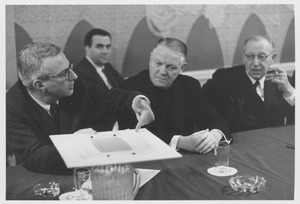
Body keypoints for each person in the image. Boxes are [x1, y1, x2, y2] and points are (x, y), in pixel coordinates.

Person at [6, 42, 154, 174]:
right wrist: (73, 144)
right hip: (43, 179)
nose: (74, 76)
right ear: (40, 85)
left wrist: (136, 101)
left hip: (84, 172)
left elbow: (108, 97)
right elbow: (33, 157)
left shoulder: (76, 85)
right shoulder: (10, 107)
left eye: (69, 67)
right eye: (64, 73)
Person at [118, 38, 231, 154]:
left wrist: (214, 135)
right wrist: (180, 142)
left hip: (186, 160)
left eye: (171, 67)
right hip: (146, 160)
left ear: (182, 68)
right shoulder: (128, 88)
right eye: (158, 63)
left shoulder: (190, 86)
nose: (162, 72)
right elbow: (133, 136)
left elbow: (216, 120)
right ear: (150, 60)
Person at [202, 34, 295, 133]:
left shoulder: (283, 81)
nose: (255, 63)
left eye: (262, 57)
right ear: (243, 57)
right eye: (250, 57)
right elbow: (200, 107)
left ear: (273, 58)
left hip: (273, 143)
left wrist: (289, 91)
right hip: (237, 144)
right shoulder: (223, 78)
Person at [74, 28, 124, 131]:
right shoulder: (80, 74)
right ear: (87, 49)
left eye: (108, 46)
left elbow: (123, 87)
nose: (105, 51)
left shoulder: (106, 66)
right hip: (98, 129)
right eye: (100, 46)